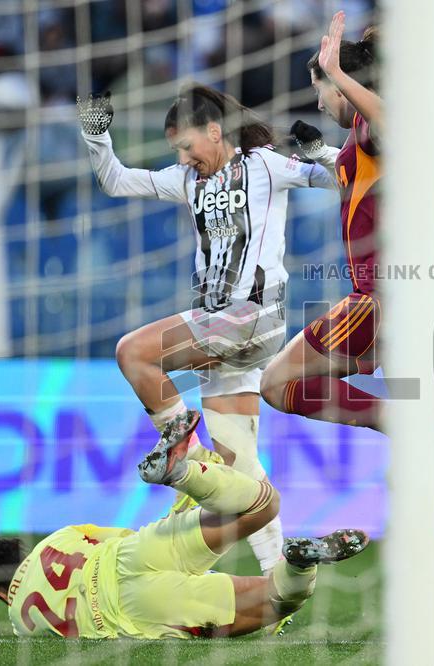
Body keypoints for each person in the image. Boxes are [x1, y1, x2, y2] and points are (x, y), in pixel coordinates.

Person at [259, 12, 434, 627]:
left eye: (321, 89)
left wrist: (339, 68)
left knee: (274, 385)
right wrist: (320, 157)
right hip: (419, 296)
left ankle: (388, 415)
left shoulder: (376, 121)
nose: (320, 100)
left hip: (384, 299)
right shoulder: (363, 136)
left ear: (345, 85)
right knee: (424, 436)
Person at [78, 85, 336, 577]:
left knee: (134, 352)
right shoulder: (185, 180)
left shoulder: (264, 164)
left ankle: (181, 441)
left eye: (186, 145)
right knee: (240, 465)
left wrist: (321, 150)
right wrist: (98, 136)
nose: (183, 156)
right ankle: (281, 575)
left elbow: (337, 179)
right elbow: (115, 181)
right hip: (225, 337)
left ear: (214, 132)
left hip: (251, 316)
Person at [0, 420, 369, 639]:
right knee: (263, 504)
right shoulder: (58, 539)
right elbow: (124, 539)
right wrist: (184, 515)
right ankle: (183, 472)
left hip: (132, 612)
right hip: (128, 556)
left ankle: (298, 564)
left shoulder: (18, 619)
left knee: (276, 603)